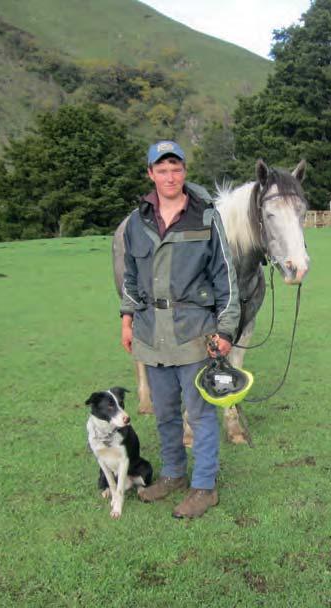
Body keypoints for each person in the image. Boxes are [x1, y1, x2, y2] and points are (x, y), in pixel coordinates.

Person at [119, 140, 240, 518]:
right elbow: (130, 276)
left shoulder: (205, 217)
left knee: (200, 415)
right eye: (162, 170)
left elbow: (226, 277)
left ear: (184, 172)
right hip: (151, 333)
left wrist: (225, 330)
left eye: (176, 169)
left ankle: (204, 487)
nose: (170, 176)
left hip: (194, 333)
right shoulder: (137, 221)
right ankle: (173, 474)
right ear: (150, 174)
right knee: (165, 413)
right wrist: (127, 319)